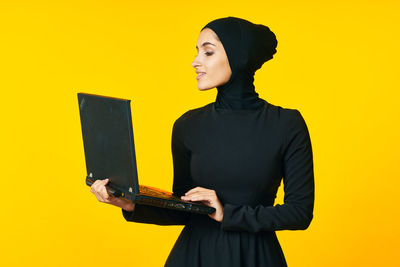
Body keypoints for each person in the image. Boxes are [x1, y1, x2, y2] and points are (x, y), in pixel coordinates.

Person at [90, 16, 315, 267]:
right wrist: (130, 202)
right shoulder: (188, 125)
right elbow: (184, 206)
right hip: (194, 256)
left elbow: (299, 212)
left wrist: (227, 213)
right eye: (197, 52)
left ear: (238, 56)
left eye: (207, 52)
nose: (195, 62)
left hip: (255, 257)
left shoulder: (286, 124)